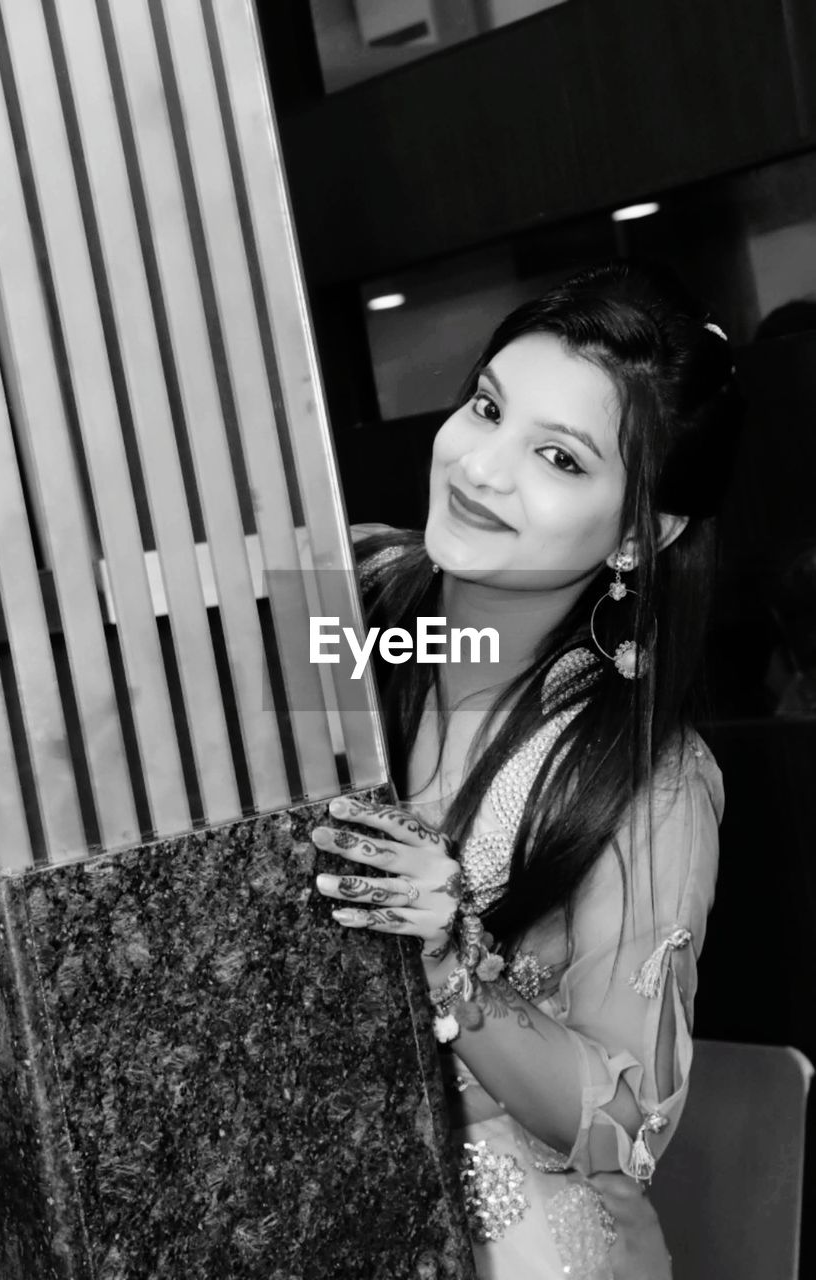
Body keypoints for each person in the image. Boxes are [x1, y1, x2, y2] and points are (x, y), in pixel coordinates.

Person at [312, 260, 741, 1278]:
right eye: (487, 406)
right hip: (310, 1177)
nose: (481, 468)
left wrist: (450, 954)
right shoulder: (363, 612)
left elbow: (632, 1129)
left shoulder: (652, 779)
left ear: (647, 530)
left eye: (557, 455)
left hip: (511, 1242)